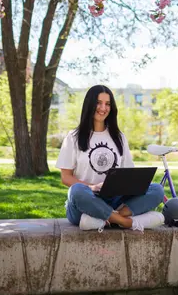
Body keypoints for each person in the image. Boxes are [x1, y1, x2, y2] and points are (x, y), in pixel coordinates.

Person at [57, 85, 165, 231]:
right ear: (89, 104)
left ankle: (108, 218)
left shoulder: (119, 138)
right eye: (98, 102)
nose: (103, 108)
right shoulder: (73, 137)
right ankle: (125, 222)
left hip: (115, 199)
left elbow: (128, 173)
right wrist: (92, 187)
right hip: (86, 200)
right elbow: (66, 177)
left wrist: (131, 185)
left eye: (107, 104)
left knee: (157, 189)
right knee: (76, 191)